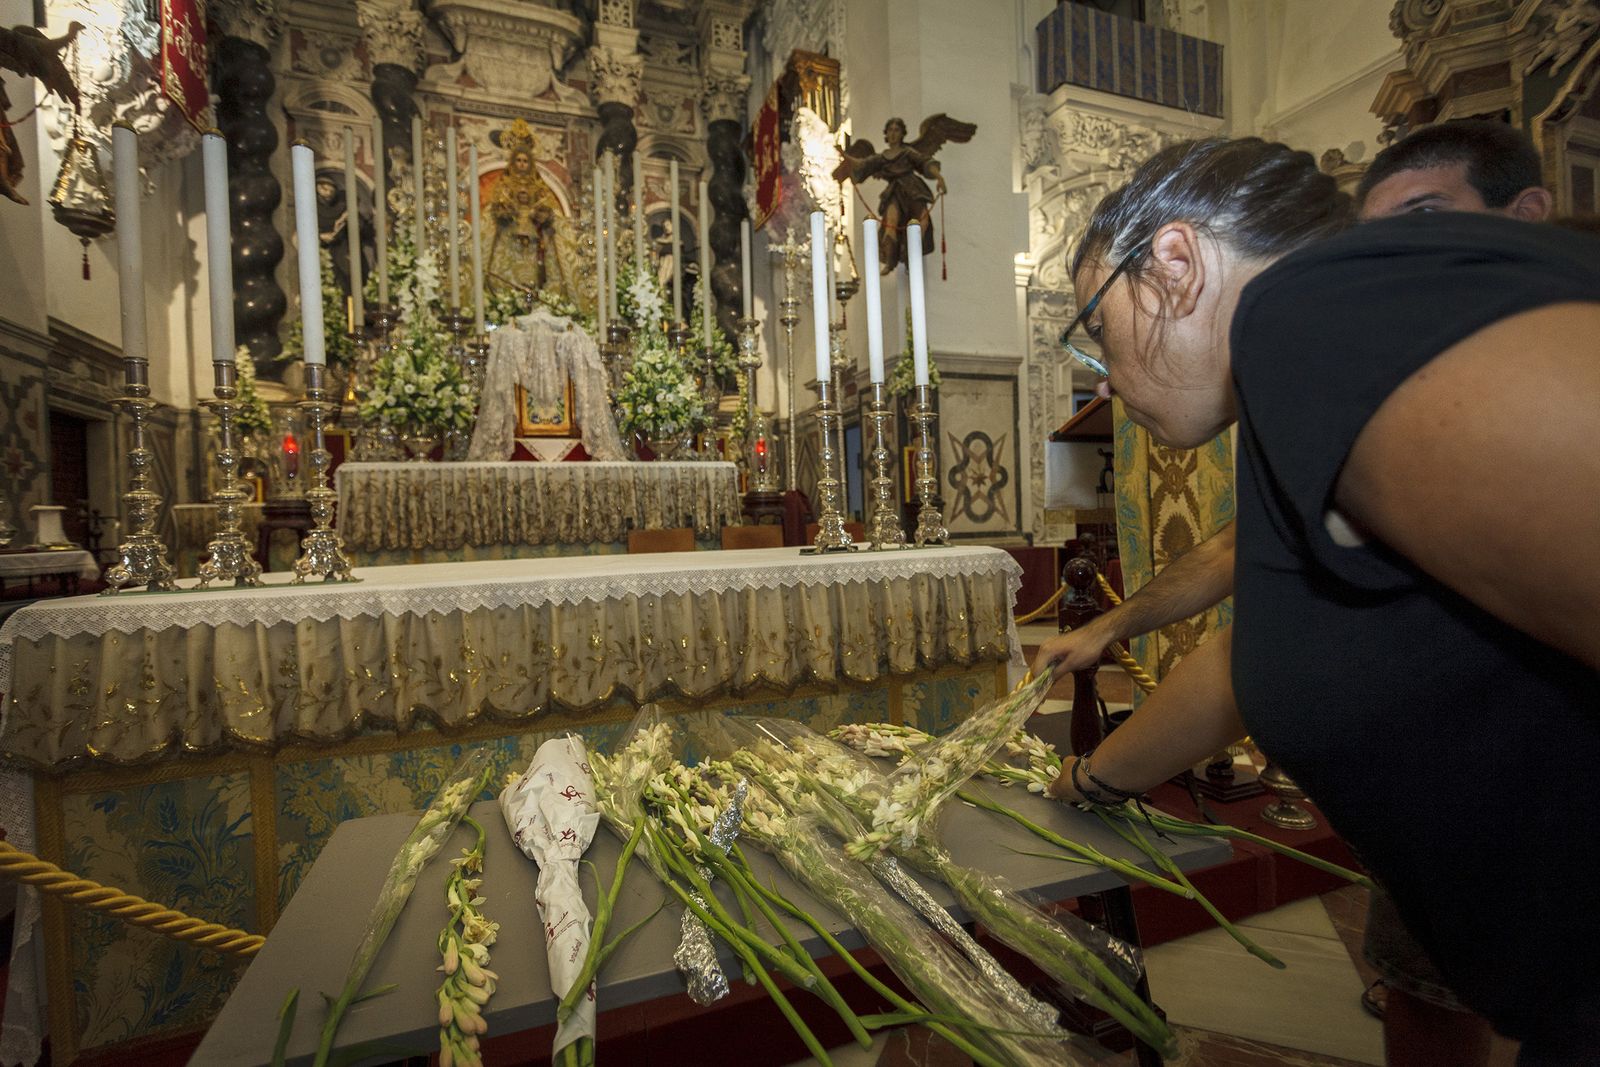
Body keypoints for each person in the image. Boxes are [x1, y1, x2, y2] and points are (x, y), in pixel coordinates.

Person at [1030, 134, 1600, 1063]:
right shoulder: (1301, 388)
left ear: (1175, 265)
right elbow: (1261, 655)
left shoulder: (1304, 314)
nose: (1102, 375)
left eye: (1098, 327)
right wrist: (1097, 779)